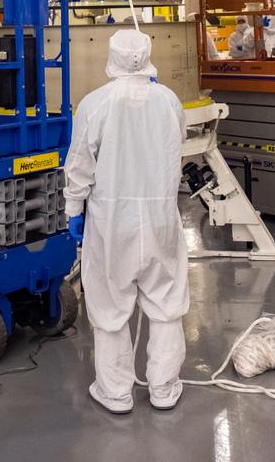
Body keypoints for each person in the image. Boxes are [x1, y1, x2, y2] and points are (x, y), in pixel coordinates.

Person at [64, 26, 188, 414]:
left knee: (109, 305)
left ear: (112, 56)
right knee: (166, 301)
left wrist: (73, 210)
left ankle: (115, 392)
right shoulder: (168, 100)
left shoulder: (95, 103)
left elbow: (79, 165)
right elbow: (179, 145)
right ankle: (164, 388)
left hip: (112, 222)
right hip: (160, 218)